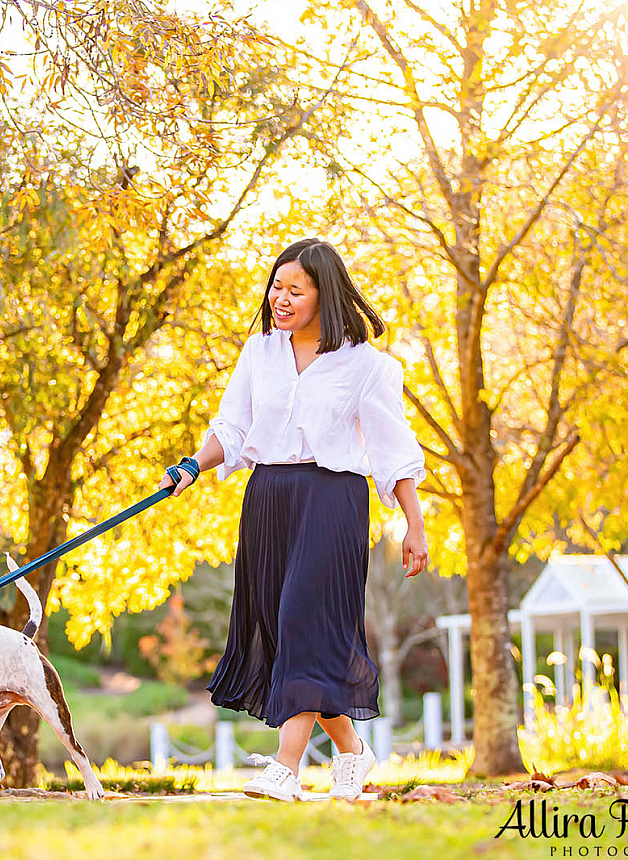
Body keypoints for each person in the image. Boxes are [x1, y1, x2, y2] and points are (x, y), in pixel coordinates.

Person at [158, 238, 429, 801]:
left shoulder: (369, 367)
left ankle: (285, 768)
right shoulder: (260, 352)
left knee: (305, 618)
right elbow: (231, 428)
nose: (280, 298)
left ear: (322, 295)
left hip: (333, 500)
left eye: (294, 289)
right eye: (276, 287)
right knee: (289, 630)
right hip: (269, 498)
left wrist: (414, 524)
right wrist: (191, 466)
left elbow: (391, 448)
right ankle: (353, 753)